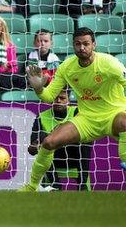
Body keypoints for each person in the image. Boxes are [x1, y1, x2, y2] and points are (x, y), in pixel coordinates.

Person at [20, 27, 126, 191]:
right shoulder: (67, 67)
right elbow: (49, 97)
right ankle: (31, 187)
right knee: (49, 142)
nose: (82, 48)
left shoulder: (109, 63)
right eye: (78, 44)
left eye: (86, 44)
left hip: (114, 115)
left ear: (94, 45)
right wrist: (38, 88)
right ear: (73, 45)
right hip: (87, 119)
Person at [27, 89, 91, 191]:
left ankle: (82, 184)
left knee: (86, 140)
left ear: (68, 100)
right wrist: (35, 146)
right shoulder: (42, 117)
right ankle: (55, 185)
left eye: (62, 98)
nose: (58, 101)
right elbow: (31, 149)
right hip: (52, 160)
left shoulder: (76, 112)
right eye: (56, 98)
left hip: (75, 157)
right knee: (44, 137)